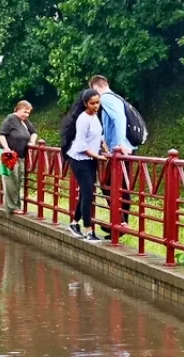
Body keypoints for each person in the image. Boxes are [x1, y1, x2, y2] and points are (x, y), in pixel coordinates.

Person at [89, 75, 136, 238]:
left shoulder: (107, 98)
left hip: (120, 152)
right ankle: (120, 222)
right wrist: (102, 139)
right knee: (117, 185)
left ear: (95, 88)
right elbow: (109, 124)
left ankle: (120, 222)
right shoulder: (116, 98)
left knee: (111, 185)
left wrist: (119, 144)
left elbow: (119, 119)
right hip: (121, 151)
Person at [62, 89, 109, 243]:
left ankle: (74, 223)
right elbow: (81, 145)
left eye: (98, 102)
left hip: (90, 159)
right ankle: (89, 231)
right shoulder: (83, 119)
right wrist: (98, 156)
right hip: (79, 159)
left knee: (85, 192)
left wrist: (104, 147)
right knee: (88, 193)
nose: (96, 106)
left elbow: (97, 136)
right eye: (92, 103)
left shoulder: (95, 117)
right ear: (85, 104)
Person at [0, 100, 38, 214]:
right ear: (18, 109)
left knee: (19, 179)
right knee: (10, 180)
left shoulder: (25, 121)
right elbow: (1, 134)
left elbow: (34, 132)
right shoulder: (10, 118)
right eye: (25, 112)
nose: (26, 115)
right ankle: (12, 207)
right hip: (8, 154)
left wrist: (32, 141)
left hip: (20, 155)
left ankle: (16, 206)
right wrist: (6, 148)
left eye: (28, 113)